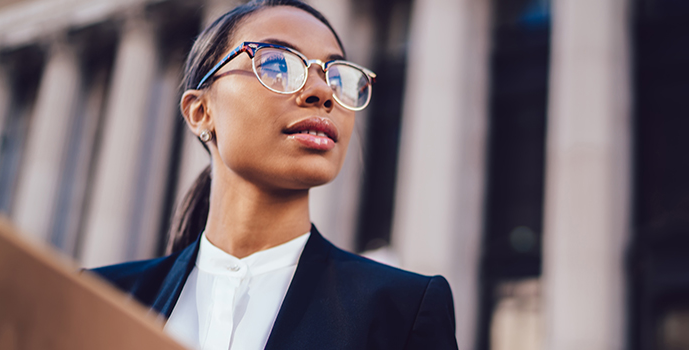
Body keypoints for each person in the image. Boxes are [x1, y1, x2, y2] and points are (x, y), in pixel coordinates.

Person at [89, 1, 458, 349]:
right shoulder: (102, 298)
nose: (322, 92)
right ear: (200, 112)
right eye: (278, 65)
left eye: (336, 76)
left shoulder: (403, 310)